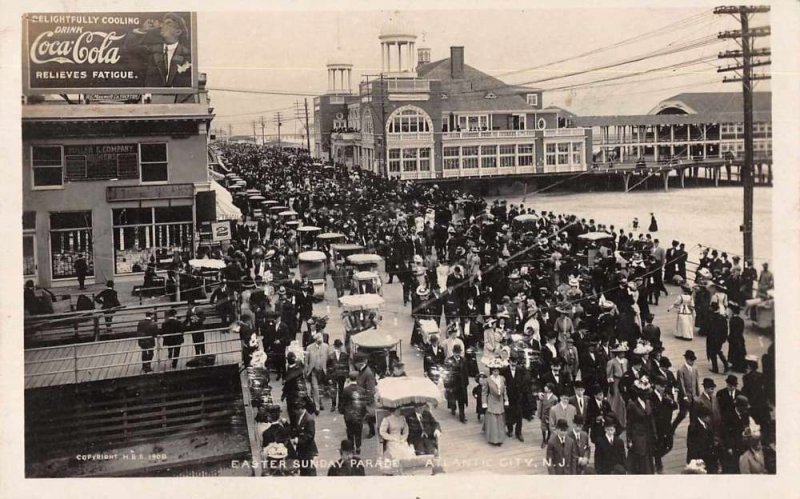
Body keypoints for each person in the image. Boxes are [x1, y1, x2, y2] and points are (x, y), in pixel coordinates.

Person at [123, 13, 193, 88]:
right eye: (163, 23)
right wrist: (142, 30)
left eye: (168, 23)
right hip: (153, 98)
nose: (162, 26)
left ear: (178, 32)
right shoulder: (152, 50)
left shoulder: (187, 55)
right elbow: (129, 47)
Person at [625, 377, 657, 474]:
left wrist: (654, 434)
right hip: (637, 435)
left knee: (648, 458)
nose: (646, 396)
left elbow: (651, 419)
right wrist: (629, 439)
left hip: (648, 435)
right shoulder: (632, 405)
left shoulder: (648, 403)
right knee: (639, 459)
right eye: (644, 394)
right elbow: (629, 423)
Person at [651, 375, 677, 473]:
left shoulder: (667, 393)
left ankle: (656, 457)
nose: (663, 388)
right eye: (661, 386)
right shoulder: (651, 396)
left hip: (667, 424)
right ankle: (658, 465)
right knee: (659, 446)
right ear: (656, 385)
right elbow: (654, 412)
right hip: (658, 427)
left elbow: (675, 406)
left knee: (669, 445)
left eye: (664, 386)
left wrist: (669, 400)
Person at [503, 353, 531, 441]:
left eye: (515, 361)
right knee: (508, 413)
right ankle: (510, 430)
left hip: (518, 396)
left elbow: (526, 379)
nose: (513, 363)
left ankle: (518, 433)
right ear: (509, 361)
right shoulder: (504, 370)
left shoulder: (521, 370)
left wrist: (521, 390)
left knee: (519, 415)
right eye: (512, 361)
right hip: (508, 396)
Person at [672, 349, 700, 433]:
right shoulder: (681, 371)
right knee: (682, 414)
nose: (692, 362)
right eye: (691, 360)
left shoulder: (695, 370)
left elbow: (696, 383)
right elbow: (681, 385)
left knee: (693, 415)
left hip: (694, 397)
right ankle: (673, 427)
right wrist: (684, 396)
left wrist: (697, 395)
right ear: (687, 359)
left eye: (693, 360)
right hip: (685, 397)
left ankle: (692, 431)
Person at [482, 362, 509, 446]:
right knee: (493, 421)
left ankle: (500, 439)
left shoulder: (502, 379)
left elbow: (504, 390)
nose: (496, 373)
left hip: (500, 401)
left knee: (500, 420)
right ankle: (493, 439)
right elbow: (484, 392)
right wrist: (484, 402)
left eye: (497, 371)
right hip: (492, 400)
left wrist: (506, 399)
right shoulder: (488, 380)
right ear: (492, 372)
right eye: (494, 371)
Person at [340, 371, 367, 454]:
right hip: (358, 415)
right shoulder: (362, 390)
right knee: (358, 431)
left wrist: (343, 411)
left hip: (348, 415)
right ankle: (358, 447)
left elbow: (343, 403)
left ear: (349, 379)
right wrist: (363, 414)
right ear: (357, 378)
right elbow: (363, 404)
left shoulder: (345, 390)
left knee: (350, 431)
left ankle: (351, 447)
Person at [291, 397, 318, 476]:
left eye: (295, 410)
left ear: (299, 409)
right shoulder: (300, 416)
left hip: (307, 447)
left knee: (308, 466)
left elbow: (310, 435)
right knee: (303, 465)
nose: (295, 412)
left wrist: (298, 440)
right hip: (302, 448)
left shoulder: (309, 419)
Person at [304, 333, 330, 412]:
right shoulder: (309, 348)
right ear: (315, 340)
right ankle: (317, 407)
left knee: (321, 388)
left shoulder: (326, 346)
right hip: (313, 371)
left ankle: (320, 402)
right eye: (319, 341)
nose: (321, 342)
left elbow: (328, 358)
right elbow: (306, 361)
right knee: (315, 388)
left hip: (322, 371)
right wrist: (306, 371)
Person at [355, 355, 377, 439]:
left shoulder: (368, 373)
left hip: (366, 399)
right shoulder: (362, 370)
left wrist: (368, 400)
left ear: (359, 363)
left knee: (369, 416)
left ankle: (372, 431)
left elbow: (371, 388)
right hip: (362, 397)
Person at [328, 339, 350, 412]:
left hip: (341, 375)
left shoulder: (345, 355)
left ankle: (340, 406)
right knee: (333, 390)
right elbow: (328, 366)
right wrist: (329, 377)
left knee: (341, 390)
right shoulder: (331, 355)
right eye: (337, 346)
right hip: (333, 375)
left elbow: (347, 366)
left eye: (339, 346)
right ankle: (333, 405)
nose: (338, 348)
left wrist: (347, 375)